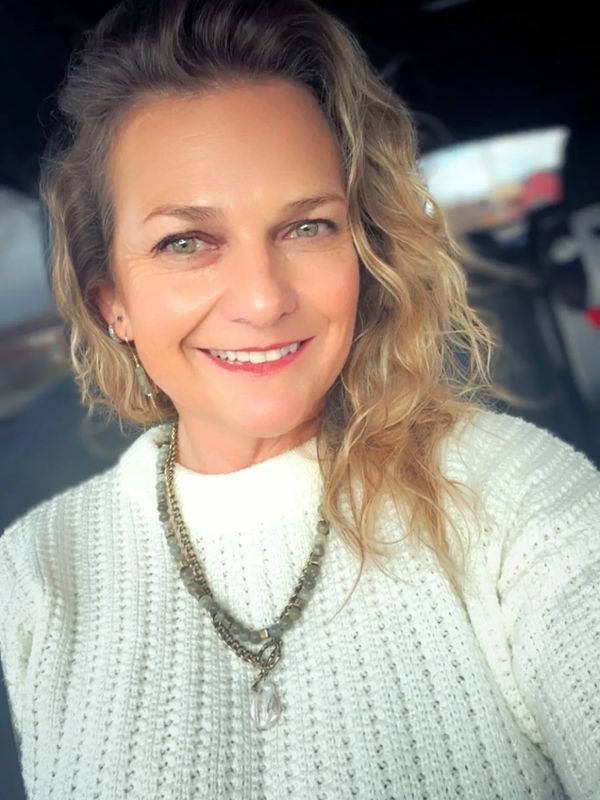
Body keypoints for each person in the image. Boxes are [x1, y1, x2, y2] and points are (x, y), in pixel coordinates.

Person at [0, 1, 598, 797]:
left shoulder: (519, 498)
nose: (261, 298)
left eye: (307, 228)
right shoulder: (34, 574)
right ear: (112, 300)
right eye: (186, 242)